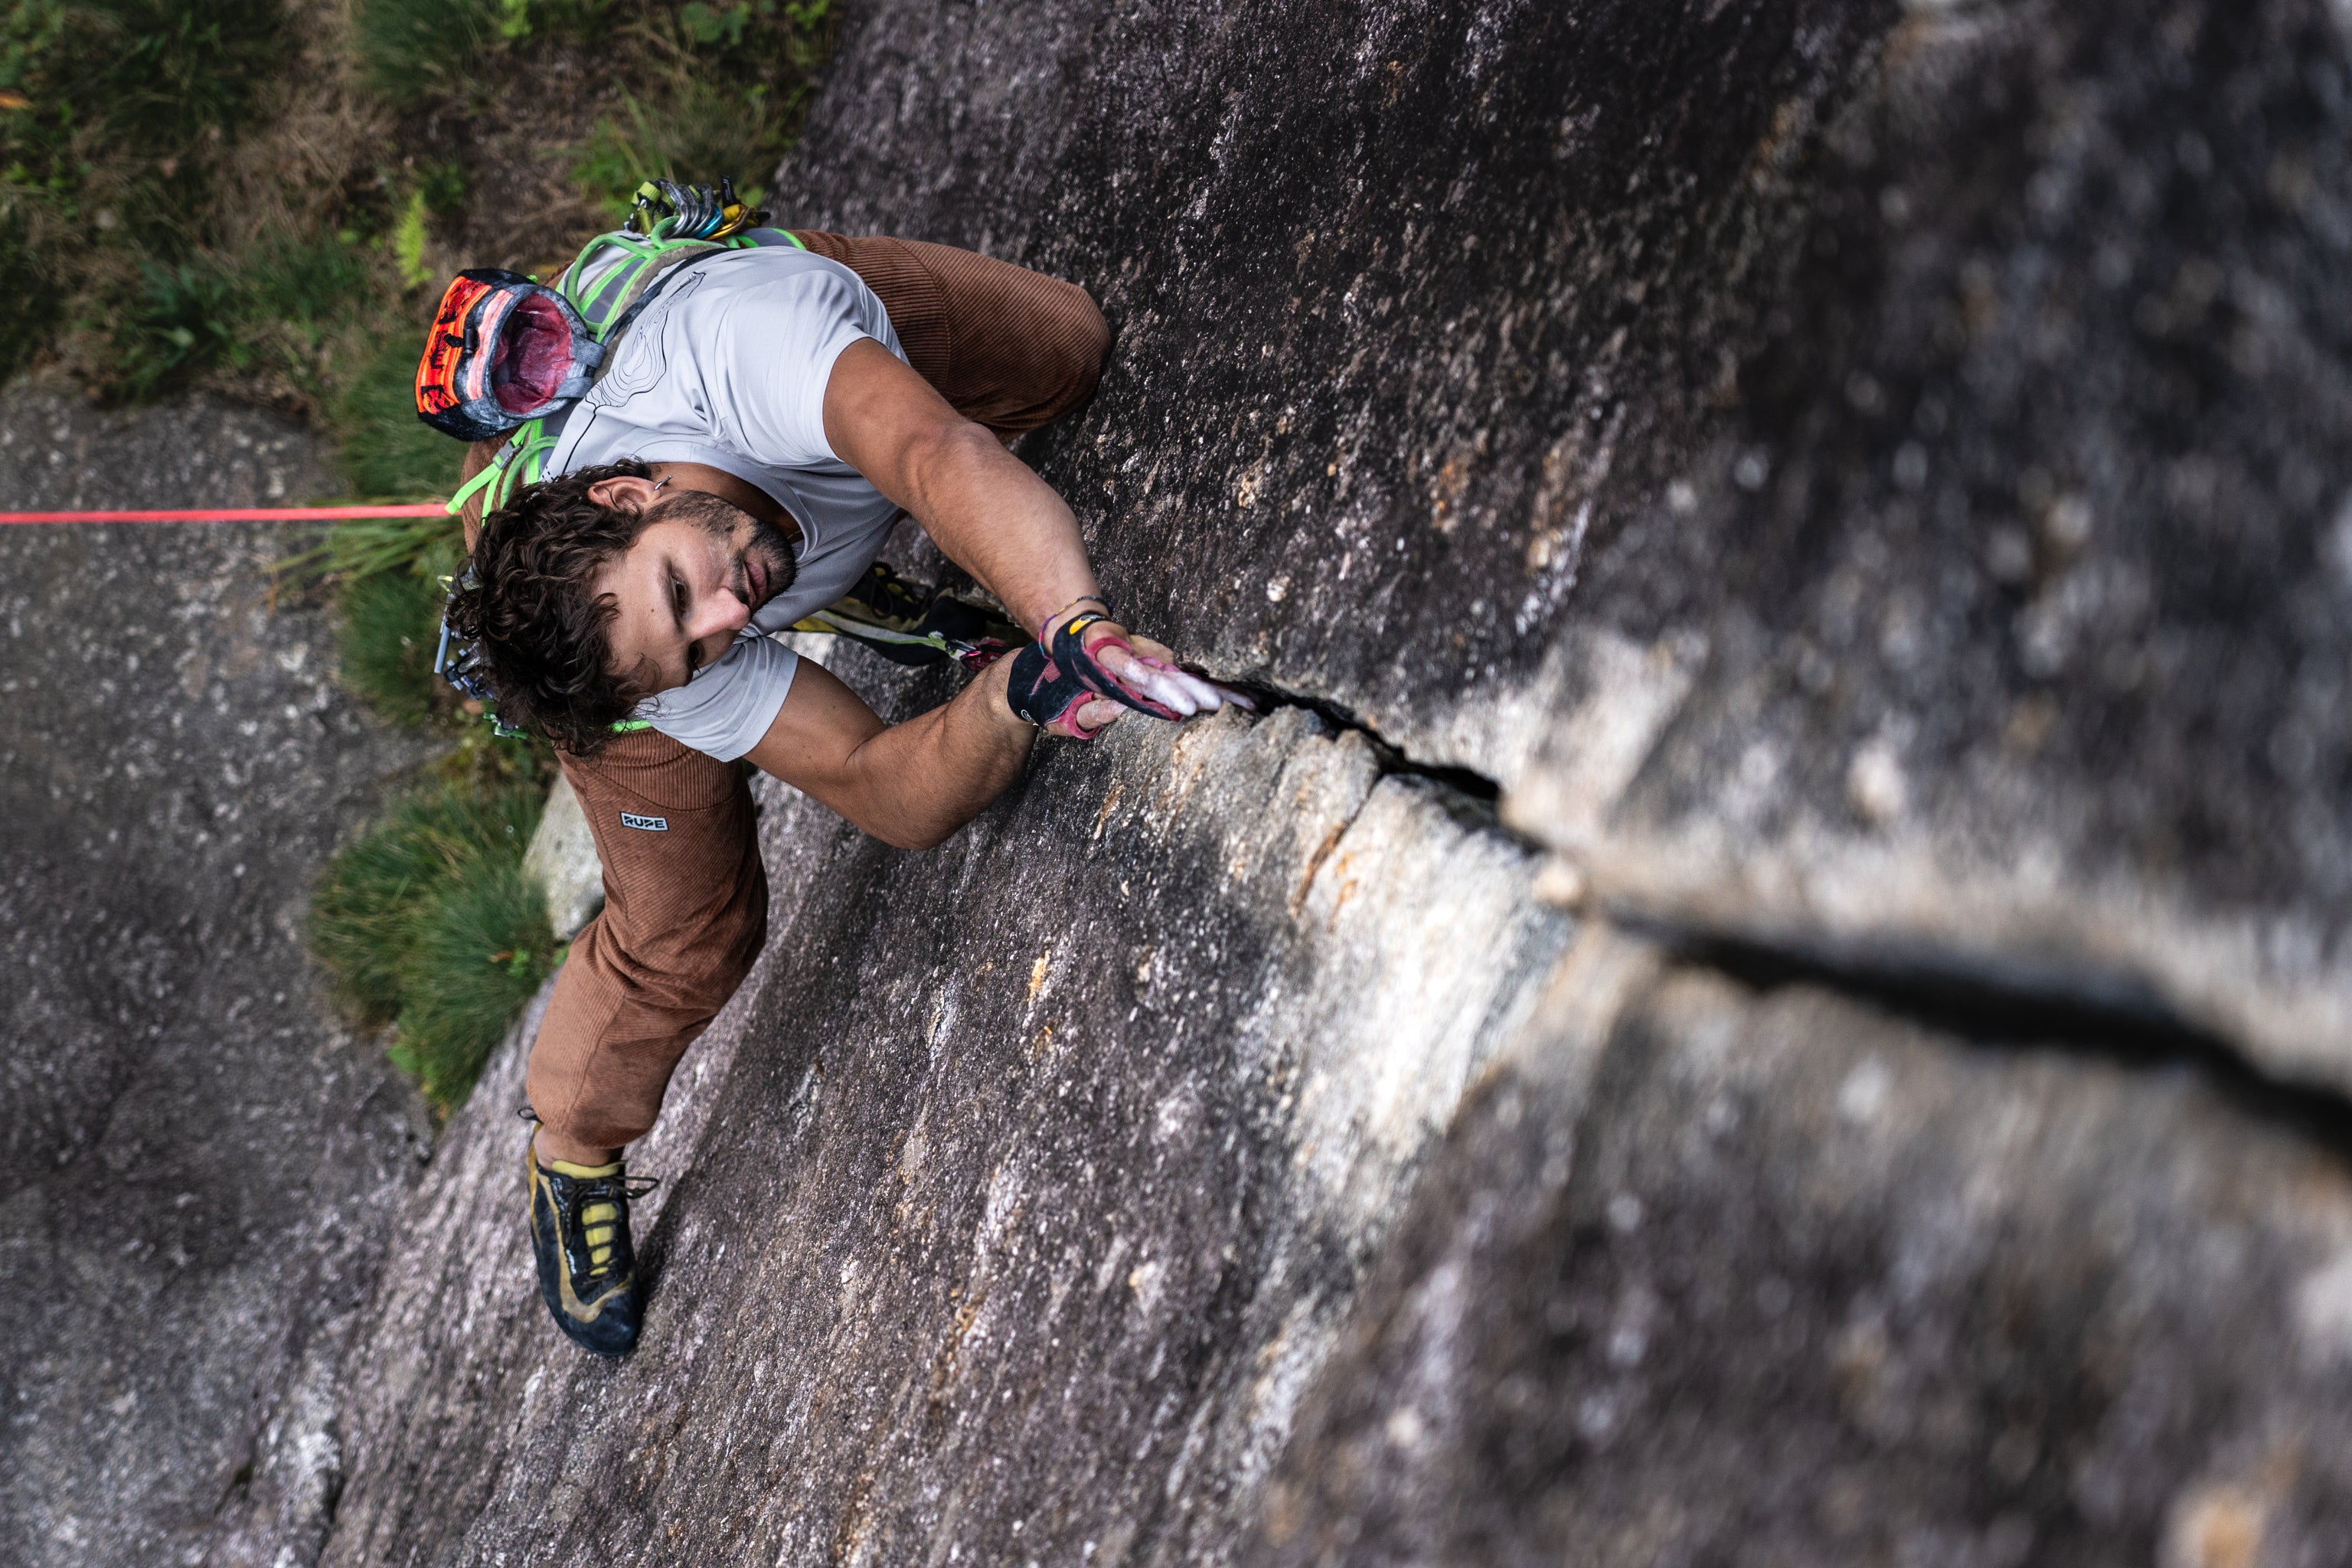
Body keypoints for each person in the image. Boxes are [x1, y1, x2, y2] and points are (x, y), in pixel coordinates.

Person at [443, 230, 1236, 1356]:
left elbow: (927, 451)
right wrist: (1016, 694)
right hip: (590, 621)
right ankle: (570, 1143)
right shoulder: (647, 659)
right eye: (705, 648)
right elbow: (878, 787)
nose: (731, 618)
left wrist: (1075, 621)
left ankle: (843, 572)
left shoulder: (742, 342)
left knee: (1066, 354)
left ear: (630, 493)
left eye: (687, 586)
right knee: (692, 929)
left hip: (749, 363)